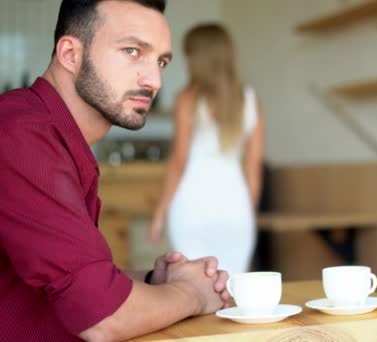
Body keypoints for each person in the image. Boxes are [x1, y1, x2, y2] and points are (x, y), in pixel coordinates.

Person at [0, 1, 232, 341]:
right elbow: (102, 317)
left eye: (162, 61)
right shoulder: (23, 136)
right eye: (133, 51)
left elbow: (62, 283)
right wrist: (191, 294)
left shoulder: (54, 136)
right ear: (70, 53)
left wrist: (154, 282)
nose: (153, 80)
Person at [147, 23, 265, 275]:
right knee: (232, 292)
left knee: (194, 289)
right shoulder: (250, 100)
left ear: (196, 58)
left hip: (193, 209)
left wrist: (159, 214)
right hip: (236, 209)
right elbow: (253, 168)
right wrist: (247, 214)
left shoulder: (187, 99)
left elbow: (178, 162)